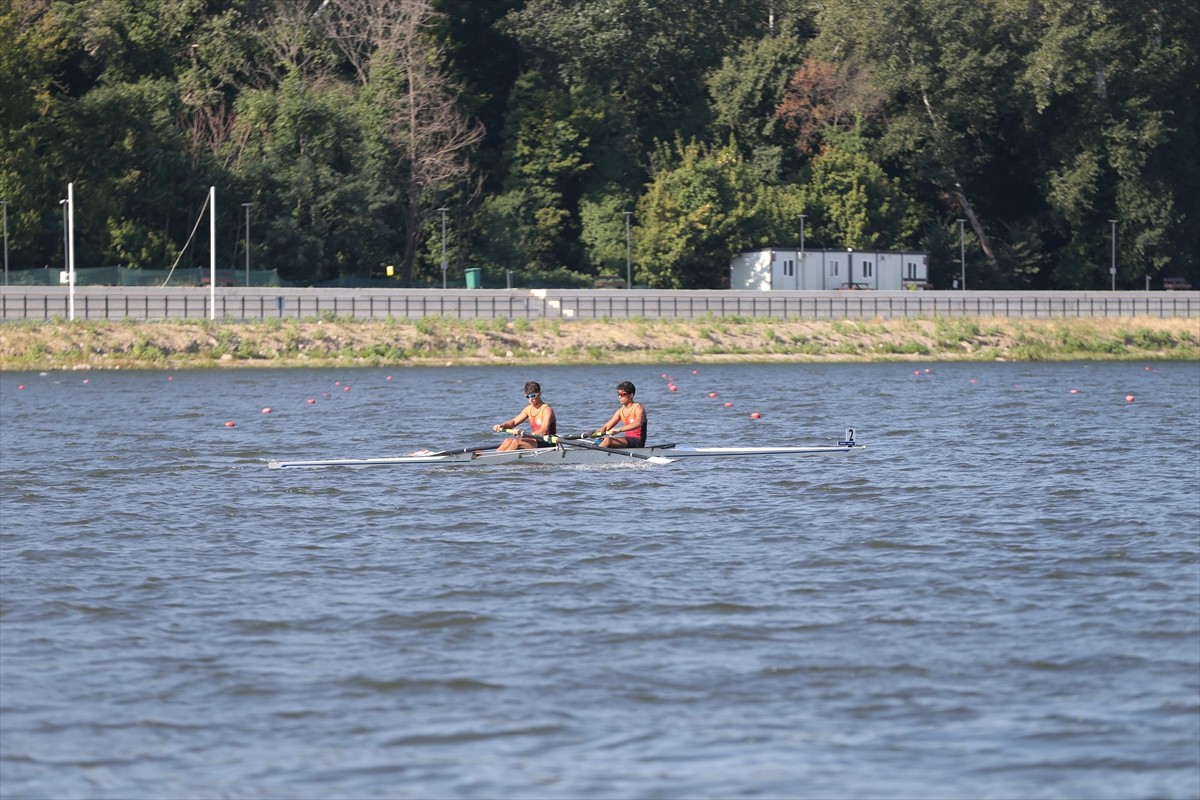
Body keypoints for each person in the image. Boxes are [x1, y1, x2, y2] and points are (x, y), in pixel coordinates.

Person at [493, 381, 557, 450]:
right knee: (507, 441)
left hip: (548, 441)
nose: (530, 399)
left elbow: (543, 430)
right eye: (528, 396)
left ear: (539, 394)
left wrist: (525, 435)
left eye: (533, 396)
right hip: (535, 439)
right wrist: (501, 426)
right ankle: (494, 456)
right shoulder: (528, 409)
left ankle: (504, 456)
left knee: (516, 442)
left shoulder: (547, 410)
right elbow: (514, 422)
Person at [589, 381, 647, 448]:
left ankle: (594, 453)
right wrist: (596, 433)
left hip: (637, 441)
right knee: (601, 440)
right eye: (618, 394)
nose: (620, 397)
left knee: (608, 440)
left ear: (631, 395)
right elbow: (606, 427)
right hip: (627, 439)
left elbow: (638, 423)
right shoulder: (619, 411)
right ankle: (591, 451)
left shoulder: (638, 408)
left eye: (623, 394)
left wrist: (619, 429)